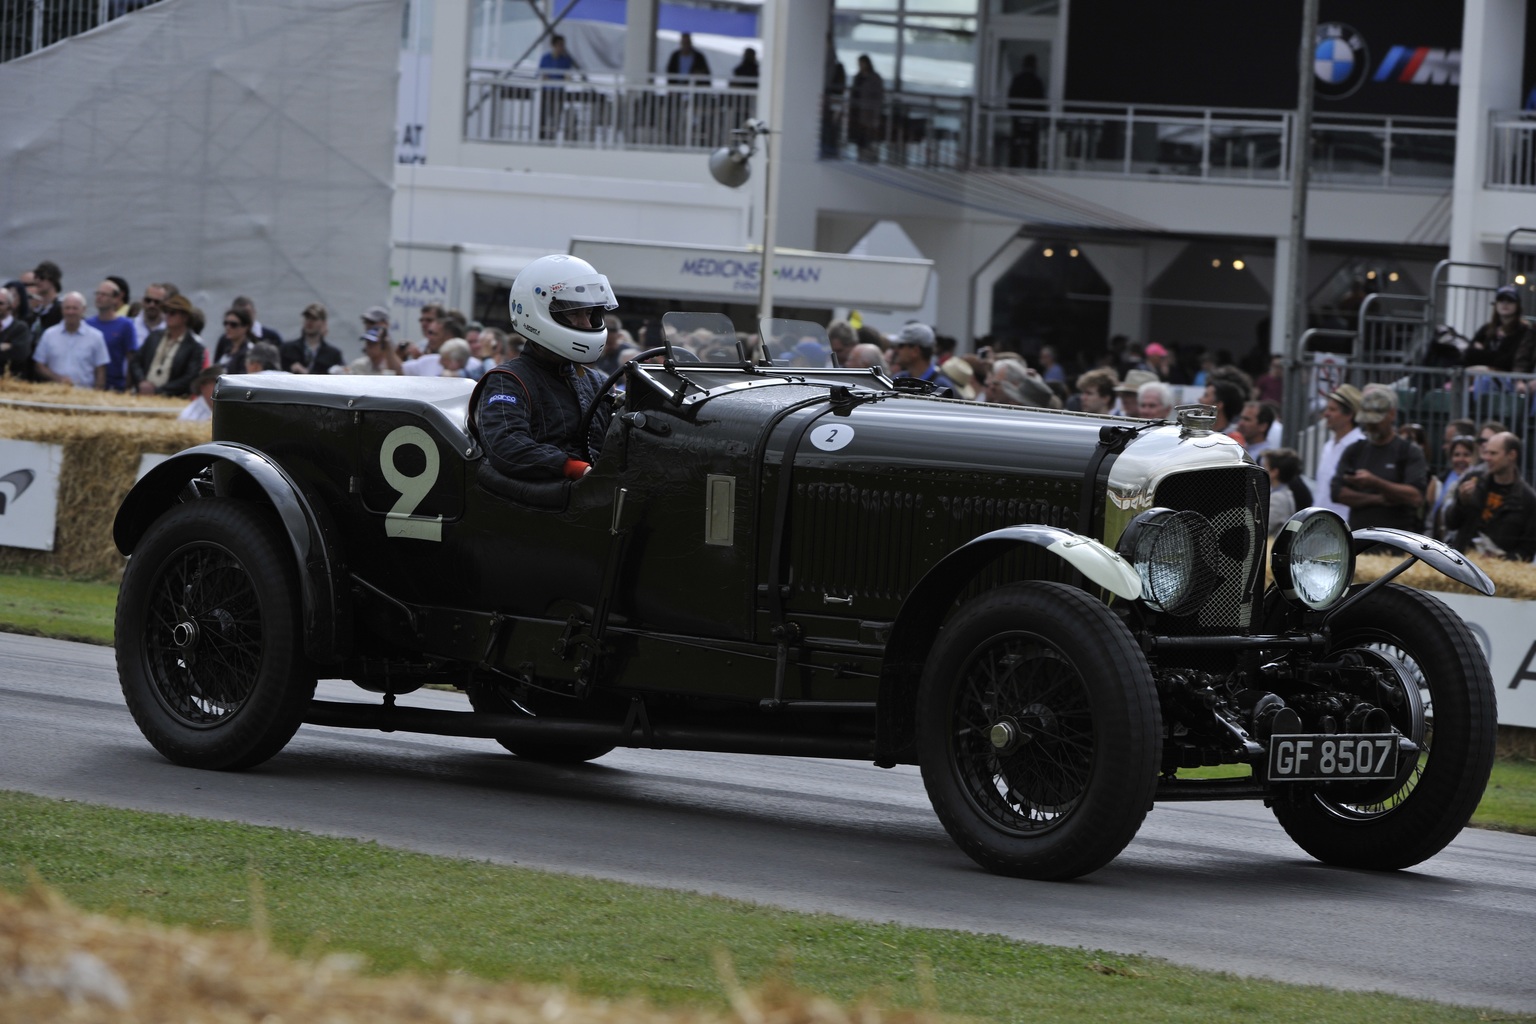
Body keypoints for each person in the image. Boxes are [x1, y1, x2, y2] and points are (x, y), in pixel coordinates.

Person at [475, 254, 617, 480]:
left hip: (592, 497)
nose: (586, 323)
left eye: (589, 313)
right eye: (573, 313)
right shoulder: (507, 380)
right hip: (542, 502)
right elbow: (507, 444)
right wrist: (572, 467)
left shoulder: (598, 382)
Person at [1331, 388, 1427, 531]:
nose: (1371, 425)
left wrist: (1375, 482)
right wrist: (1379, 498)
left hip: (1398, 539)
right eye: (1367, 420)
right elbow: (1337, 493)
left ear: (1392, 414)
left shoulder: (1408, 451)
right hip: (1360, 537)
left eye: (1376, 420)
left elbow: (1415, 497)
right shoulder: (1354, 450)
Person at [1446, 431, 1536, 560]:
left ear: (1511, 455)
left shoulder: (1528, 499)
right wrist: (1461, 502)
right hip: (1463, 565)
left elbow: (1528, 550)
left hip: (1497, 575)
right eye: (1486, 452)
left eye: (1493, 453)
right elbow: (1451, 523)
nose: (1486, 458)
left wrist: (1500, 559)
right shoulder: (1472, 480)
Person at [130, 294, 206, 396]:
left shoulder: (194, 347)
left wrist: (158, 391)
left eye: (173, 313)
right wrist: (141, 381)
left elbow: (190, 378)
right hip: (144, 396)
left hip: (173, 400)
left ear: (184, 317)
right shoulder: (154, 336)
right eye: (166, 312)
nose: (168, 316)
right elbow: (136, 361)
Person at [32, 291, 108, 389]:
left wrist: (97, 395)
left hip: (85, 394)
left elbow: (101, 370)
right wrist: (57, 379)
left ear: (83, 310)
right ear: (62, 310)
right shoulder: (49, 334)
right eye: (67, 308)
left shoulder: (96, 336)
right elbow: (39, 365)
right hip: (54, 393)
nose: (70, 312)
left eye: (75, 308)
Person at [1464, 285, 1535, 382]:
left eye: (1510, 300)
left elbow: (1508, 361)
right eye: (1501, 300)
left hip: (1509, 380)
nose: (1505, 303)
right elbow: (1469, 354)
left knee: (1485, 379)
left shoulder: (1524, 331)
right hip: (1479, 376)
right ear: (1496, 304)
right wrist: (1493, 358)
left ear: (1517, 305)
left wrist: (1483, 358)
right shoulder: (1486, 329)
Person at [1314, 384, 1364, 519]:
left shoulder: (1360, 446)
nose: (1326, 414)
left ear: (1349, 415)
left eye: (1332, 409)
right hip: (1320, 525)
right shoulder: (1328, 445)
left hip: (1343, 528)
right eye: (1327, 408)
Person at [87, 279, 138, 392]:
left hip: (116, 386)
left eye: (104, 295)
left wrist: (128, 387)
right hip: (90, 384)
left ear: (115, 298)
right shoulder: (88, 324)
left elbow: (131, 358)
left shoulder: (125, 325)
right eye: (98, 294)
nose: (99, 297)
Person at [1426, 434, 1479, 540]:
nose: (1461, 459)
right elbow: (1430, 517)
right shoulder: (1440, 481)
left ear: (1475, 457)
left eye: (1466, 455)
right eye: (1456, 455)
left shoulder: (1481, 481)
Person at [1263, 447, 1313, 537]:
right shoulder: (1285, 493)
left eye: (1265, 467)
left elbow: (1262, 529)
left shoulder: (1278, 498)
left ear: (1274, 472)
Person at [538, 34, 579, 140]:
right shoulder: (545, 58)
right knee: (544, 117)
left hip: (559, 92)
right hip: (547, 92)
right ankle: (542, 138)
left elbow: (567, 76)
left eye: (563, 45)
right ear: (553, 45)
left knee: (556, 117)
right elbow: (542, 75)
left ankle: (553, 137)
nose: (561, 47)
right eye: (559, 45)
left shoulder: (566, 60)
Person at [281, 303, 342, 374]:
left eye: (314, 318)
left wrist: (307, 372)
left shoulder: (333, 354)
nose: (309, 321)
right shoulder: (287, 349)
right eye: (307, 318)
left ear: (323, 322)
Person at [1007, 54, 1045, 168]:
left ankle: (1013, 165)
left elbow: (1011, 99)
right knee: (1032, 146)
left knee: (1016, 144)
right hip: (1032, 118)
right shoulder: (1036, 81)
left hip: (1018, 118)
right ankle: (1032, 167)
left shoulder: (1017, 79)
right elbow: (1041, 101)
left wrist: (1014, 113)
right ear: (1034, 65)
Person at [890, 322, 954, 390]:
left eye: (901, 346)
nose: (896, 350)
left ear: (915, 351)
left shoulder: (942, 387)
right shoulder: (898, 379)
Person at [848, 54, 884, 163]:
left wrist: (876, 112)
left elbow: (879, 96)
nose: (861, 66)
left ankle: (870, 157)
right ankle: (861, 156)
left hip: (869, 112)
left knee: (868, 136)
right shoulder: (858, 77)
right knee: (860, 137)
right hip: (857, 112)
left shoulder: (874, 78)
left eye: (862, 63)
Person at [0, 285, 31, 379]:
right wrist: (3, 347)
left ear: (10, 305)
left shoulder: (20, 328)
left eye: (0, 303)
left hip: (11, 382)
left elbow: (20, 354)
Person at [132, 282, 176, 347]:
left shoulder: (171, 328)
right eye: (148, 300)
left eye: (157, 302)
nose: (152, 305)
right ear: (142, 301)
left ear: (164, 304)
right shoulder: (131, 325)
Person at [28, 260, 63, 338]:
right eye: (36, 277)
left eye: (42, 277)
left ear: (53, 280)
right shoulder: (36, 309)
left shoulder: (61, 309)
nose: (37, 281)